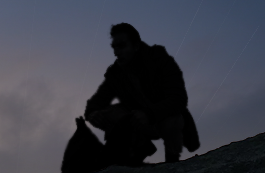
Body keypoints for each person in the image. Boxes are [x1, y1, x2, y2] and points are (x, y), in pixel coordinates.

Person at [84, 22, 199, 165]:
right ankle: (135, 151)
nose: (116, 52)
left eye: (122, 46)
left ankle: (172, 162)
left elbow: (178, 99)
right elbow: (97, 100)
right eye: (114, 47)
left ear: (136, 46)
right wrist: (92, 114)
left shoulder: (158, 58)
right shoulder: (115, 73)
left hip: (162, 119)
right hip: (138, 122)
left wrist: (149, 113)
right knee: (108, 113)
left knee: (173, 119)